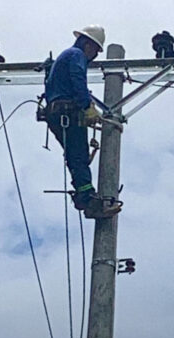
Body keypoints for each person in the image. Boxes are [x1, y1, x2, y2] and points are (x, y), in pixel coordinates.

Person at [45, 25, 120, 218]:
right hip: (67, 112)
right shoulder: (76, 55)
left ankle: (83, 194)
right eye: (95, 51)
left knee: (75, 156)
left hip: (57, 114)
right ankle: (88, 200)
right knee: (78, 156)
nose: (94, 56)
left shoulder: (65, 56)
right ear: (88, 45)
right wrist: (87, 106)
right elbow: (78, 79)